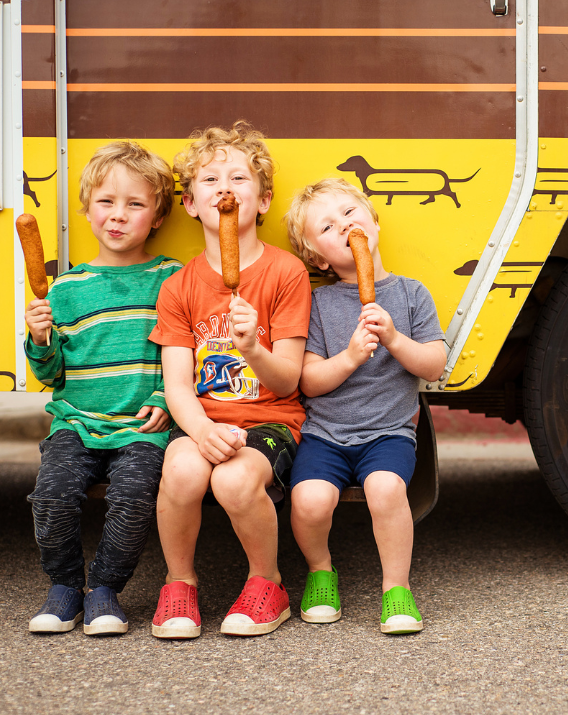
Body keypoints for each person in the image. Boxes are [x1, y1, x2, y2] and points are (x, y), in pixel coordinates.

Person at [149, 121, 311, 639]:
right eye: (210, 179)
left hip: (271, 420)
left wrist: (252, 349)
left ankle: (269, 582)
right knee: (181, 474)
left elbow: (287, 380)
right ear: (192, 204)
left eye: (239, 178)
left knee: (234, 480)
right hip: (204, 419)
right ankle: (179, 584)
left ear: (262, 201)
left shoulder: (286, 274)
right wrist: (199, 432)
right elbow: (177, 384)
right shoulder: (178, 287)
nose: (225, 188)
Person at [25, 141, 180, 635]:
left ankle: (106, 589)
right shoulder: (65, 288)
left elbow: (189, 351)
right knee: (52, 493)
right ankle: (65, 586)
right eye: (106, 202)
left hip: (143, 426)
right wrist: (40, 336)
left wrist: (165, 400)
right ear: (87, 209)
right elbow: (50, 376)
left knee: (135, 498)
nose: (118, 216)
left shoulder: (171, 279)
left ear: (156, 217)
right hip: (77, 420)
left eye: (135, 204)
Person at [284, 178, 446, 634]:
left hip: (389, 433)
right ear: (318, 257)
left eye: (351, 214)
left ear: (373, 222)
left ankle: (397, 588)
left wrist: (394, 338)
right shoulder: (317, 302)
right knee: (310, 501)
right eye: (328, 226)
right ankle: (320, 572)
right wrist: (352, 355)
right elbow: (309, 382)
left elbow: (433, 365)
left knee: (386, 491)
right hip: (326, 435)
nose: (345, 226)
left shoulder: (412, 294)